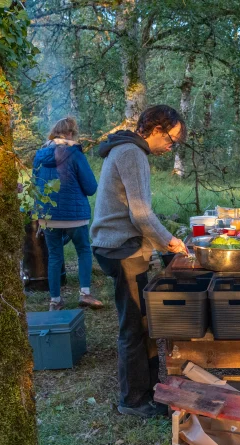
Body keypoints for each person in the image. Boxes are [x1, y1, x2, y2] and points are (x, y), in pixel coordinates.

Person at [91, 105, 188, 417]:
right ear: (157, 129)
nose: (170, 147)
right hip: (122, 248)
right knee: (134, 325)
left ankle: (148, 392)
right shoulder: (132, 153)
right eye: (171, 140)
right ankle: (134, 401)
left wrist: (163, 240)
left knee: (143, 322)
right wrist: (169, 242)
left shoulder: (127, 149)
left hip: (122, 245)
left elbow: (140, 211)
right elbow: (141, 214)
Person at [33, 117, 103, 312]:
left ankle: (55, 301)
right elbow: (90, 188)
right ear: (71, 133)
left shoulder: (39, 155)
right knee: (83, 250)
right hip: (75, 216)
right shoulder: (75, 154)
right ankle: (85, 294)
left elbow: (35, 186)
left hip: (47, 215)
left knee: (55, 256)